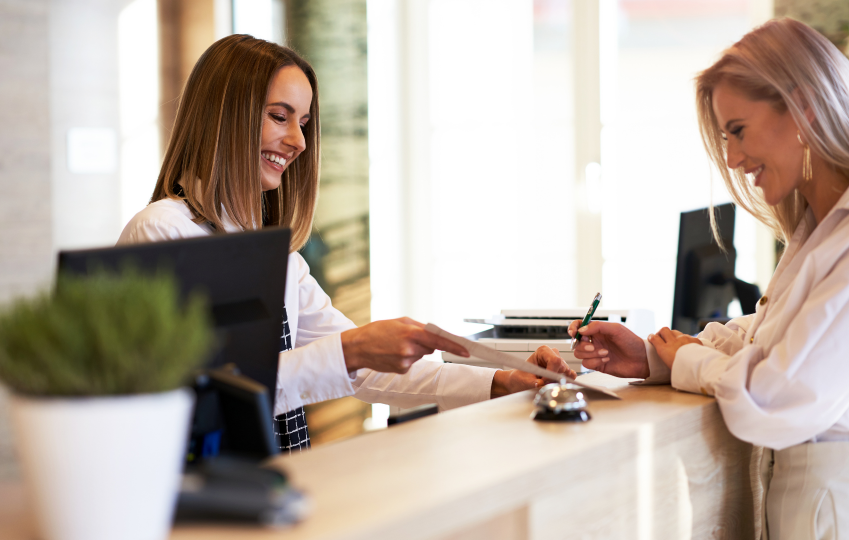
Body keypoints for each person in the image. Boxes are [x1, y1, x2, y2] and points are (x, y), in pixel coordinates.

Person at [118, 34, 576, 453]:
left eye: (304, 122)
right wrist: (352, 350)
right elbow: (202, 395)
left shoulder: (277, 257)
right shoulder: (163, 232)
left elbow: (364, 371)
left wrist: (504, 381)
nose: (297, 140)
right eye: (279, 117)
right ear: (226, 117)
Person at [570, 18, 849, 539]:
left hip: (848, 515)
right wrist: (654, 355)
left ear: (803, 107)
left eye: (738, 130)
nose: (733, 159)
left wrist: (687, 359)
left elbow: (774, 397)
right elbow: (771, 337)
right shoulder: (828, 224)